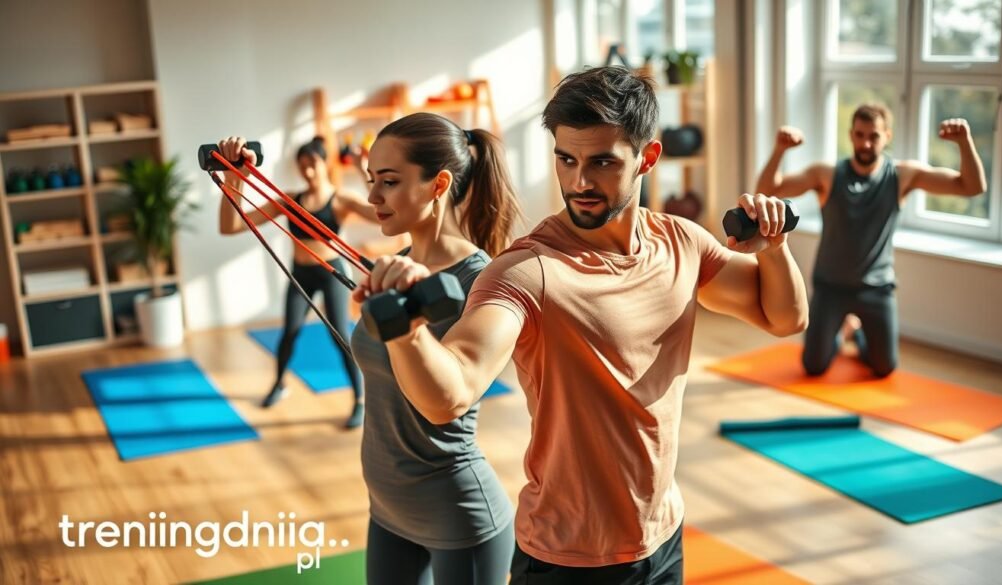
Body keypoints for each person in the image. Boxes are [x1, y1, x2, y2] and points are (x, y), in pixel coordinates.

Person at [355, 67, 809, 585]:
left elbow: (785, 317)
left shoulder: (682, 244)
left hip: (662, 536)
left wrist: (775, 248)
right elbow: (449, 393)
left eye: (602, 163)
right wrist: (406, 330)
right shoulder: (527, 271)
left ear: (648, 158)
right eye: (565, 160)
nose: (579, 182)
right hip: (567, 560)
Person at [350, 113, 522, 584]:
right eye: (371, 181)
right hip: (387, 509)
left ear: (437, 184)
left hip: (458, 516)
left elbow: (448, 401)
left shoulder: (482, 281)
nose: (372, 197)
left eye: (388, 181)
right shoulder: (395, 267)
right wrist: (236, 173)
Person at [756, 104, 985, 377]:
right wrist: (780, 149)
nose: (866, 143)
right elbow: (766, 191)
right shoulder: (826, 175)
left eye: (873, 136)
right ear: (851, 135)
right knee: (813, 366)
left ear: (887, 136)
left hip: (877, 288)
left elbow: (971, 187)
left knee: (884, 367)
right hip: (830, 287)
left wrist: (964, 141)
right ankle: (843, 330)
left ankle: (857, 332)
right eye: (860, 135)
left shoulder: (901, 176)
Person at [217, 136, 374, 427]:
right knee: (289, 331)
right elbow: (231, 226)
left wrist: (364, 169)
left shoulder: (341, 199)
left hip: (331, 274)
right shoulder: (289, 201)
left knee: (341, 335)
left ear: (323, 162)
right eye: (302, 166)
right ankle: (278, 384)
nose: (308, 172)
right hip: (299, 274)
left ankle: (360, 400)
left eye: (312, 164)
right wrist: (232, 179)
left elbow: (382, 214)